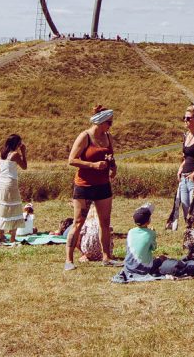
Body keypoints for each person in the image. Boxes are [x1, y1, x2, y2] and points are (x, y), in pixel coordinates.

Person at [65, 107, 117, 270]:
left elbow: (110, 157)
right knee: (78, 222)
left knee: (105, 222)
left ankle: (107, 257)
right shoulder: (85, 136)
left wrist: (112, 167)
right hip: (84, 186)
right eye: (109, 122)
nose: (111, 125)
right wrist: (93, 165)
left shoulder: (108, 137)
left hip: (103, 185)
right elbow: (72, 160)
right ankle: (69, 260)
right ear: (101, 122)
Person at [122, 203, 194, 277]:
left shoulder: (130, 232)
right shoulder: (151, 234)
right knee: (162, 258)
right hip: (144, 268)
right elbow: (153, 248)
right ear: (148, 221)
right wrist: (153, 234)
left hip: (129, 266)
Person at [0, 135, 28, 241]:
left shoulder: (2, 153)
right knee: (14, 208)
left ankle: (1, 236)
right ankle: (12, 237)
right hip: (11, 184)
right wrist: (23, 152)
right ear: (16, 144)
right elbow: (24, 167)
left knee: (0, 208)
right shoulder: (15, 154)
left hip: (1, 183)